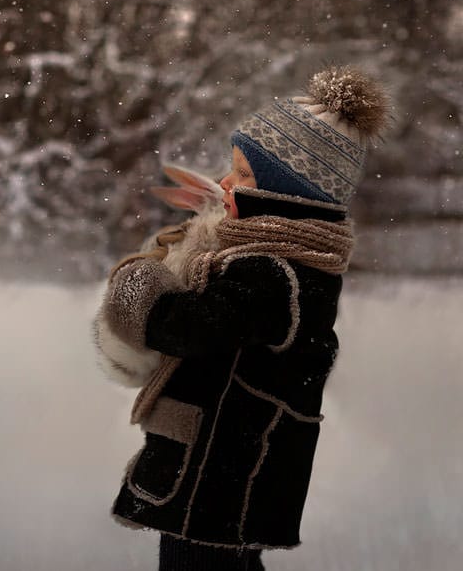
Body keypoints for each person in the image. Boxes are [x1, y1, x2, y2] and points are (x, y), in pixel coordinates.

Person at [95, 66, 390, 571]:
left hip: (219, 480)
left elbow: (189, 327)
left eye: (244, 175)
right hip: (227, 479)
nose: (226, 183)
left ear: (285, 193)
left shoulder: (272, 273)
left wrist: (139, 284)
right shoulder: (286, 264)